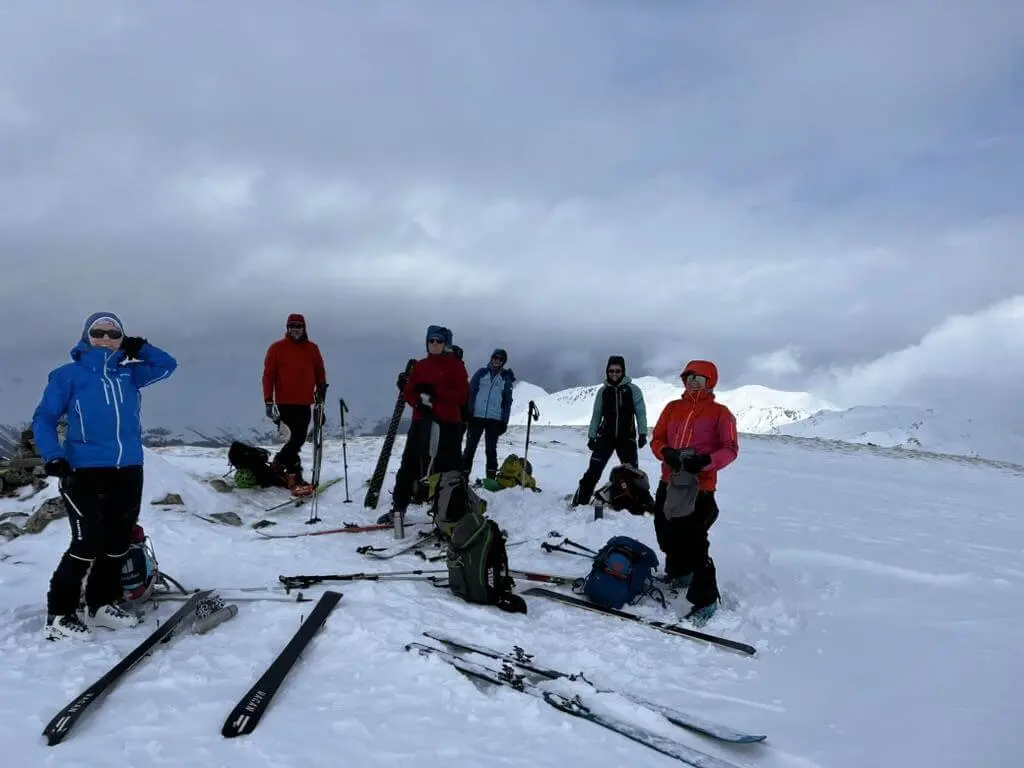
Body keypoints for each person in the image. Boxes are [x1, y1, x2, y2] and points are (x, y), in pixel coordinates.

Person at [31, 312, 177, 640]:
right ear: (87, 336)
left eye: (115, 334)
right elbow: (45, 417)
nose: (107, 339)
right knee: (86, 543)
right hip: (83, 470)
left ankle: (100, 604)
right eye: (100, 332)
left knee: (117, 543)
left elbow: (168, 365)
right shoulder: (68, 375)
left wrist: (142, 347)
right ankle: (59, 613)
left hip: (128, 469)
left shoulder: (129, 375)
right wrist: (53, 456)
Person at [649, 359, 738, 625]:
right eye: (689, 377)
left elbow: (730, 449)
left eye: (699, 378)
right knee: (664, 530)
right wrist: (666, 453)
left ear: (710, 381)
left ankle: (706, 598)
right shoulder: (673, 408)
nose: (692, 382)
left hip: (701, 487)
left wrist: (706, 461)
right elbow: (658, 438)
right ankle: (679, 573)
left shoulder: (721, 413)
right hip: (671, 481)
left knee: (695, 542)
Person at [378, 325, 469, 524]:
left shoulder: (456, 366)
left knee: (448, 469)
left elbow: (462, 396)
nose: (434, 344)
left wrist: (435, 394)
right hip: (422, 423)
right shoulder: (420, 366)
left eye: (439, 341)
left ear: (447, 343)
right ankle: (398, 509)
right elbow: (410, 392)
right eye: (431, 341)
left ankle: (446, 513)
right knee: (409, 465)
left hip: (448, 425)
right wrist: (418, 399)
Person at [261, 313, 327, 495]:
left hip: (305, 402)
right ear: (287, 328)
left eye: (298, 326)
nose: (295, 329)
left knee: (298, 440)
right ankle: (292, 476)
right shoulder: (277, 348)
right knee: (293, 439)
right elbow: (269, 375)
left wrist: (321, 393)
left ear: (304, 328)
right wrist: (268, 400)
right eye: (292, 326)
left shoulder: (312, 349)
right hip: (285, 402)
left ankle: (279, 465)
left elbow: (320, 372)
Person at [570, 355, 648, 506]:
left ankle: (633, 504)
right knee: (593, 471)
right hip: (605, 437)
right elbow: (596, 415)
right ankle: (581, 501)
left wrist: (643, 433)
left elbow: (641, 412)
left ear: (623, 371)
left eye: (618, 371)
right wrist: (592, 437)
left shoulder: (633, 390)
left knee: (632, 473)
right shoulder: (603, 392)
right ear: (607, 371)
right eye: (611, 370)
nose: (614, 374)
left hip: (627, 438)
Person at [462, 348, 515, 479]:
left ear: (503, 361)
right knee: (469, 449)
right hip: (476, 417)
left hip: (494, 419)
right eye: (495, 357)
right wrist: (468, 411)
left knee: (491, 450)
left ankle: (490, 479)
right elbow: (471, 392)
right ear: (491, 358)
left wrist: (504, 421)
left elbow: (507, 402)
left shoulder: (505, 379)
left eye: (500, 359)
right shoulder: (481, 373)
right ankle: (463, 477)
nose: (497, 360)